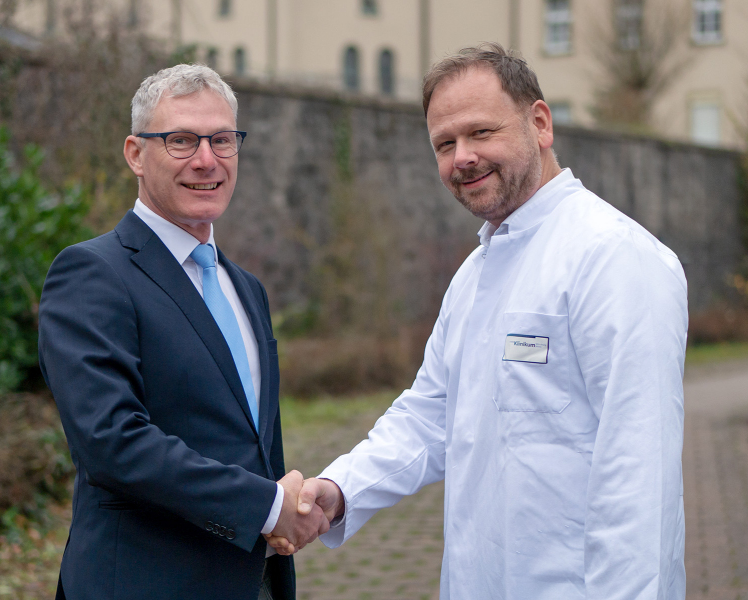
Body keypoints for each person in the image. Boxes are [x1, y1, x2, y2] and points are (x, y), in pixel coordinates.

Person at [267, 43, 688, 599]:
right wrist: (340, 488)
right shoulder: (475, 273)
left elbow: (640, 480)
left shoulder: (614, 258)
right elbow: (431, 416)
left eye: (481, 133)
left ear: (540, 124)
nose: (461, 157)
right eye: (445, 144)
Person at [38, 64, 328, 600]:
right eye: (180, 140)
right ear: (135, 154)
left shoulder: (248, 289)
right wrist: (266, 507)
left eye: (222, 139)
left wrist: (283, 515)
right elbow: (111, 442)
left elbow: (252, 443)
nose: (206, 159)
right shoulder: (92, 273)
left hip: (253, 582)